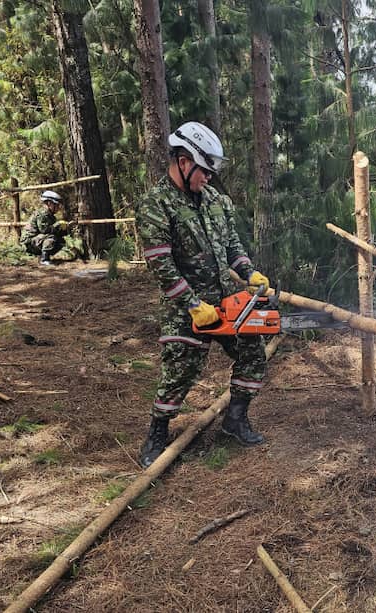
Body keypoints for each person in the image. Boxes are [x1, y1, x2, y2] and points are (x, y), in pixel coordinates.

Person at [135, 121, 271, 468]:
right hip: (184, 306)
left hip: (225, 301)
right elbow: (160, 264)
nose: (207, 179)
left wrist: (248, 272)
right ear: (183, 162)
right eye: (204, 172)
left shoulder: (217, 201)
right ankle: (157, 433)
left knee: (253, 351)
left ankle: (235, 419)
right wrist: (193, 305)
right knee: (180, 370)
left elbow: (233, 248)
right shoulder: (156, 204)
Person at [21, 190, 68, 265]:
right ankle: (44, 259)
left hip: (36, 240)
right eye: (56, 205)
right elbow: (44, 230)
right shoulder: (42, 214)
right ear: (49, 203)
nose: (58, 208)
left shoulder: (51, 216)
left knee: (60, 240)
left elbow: (53, 230)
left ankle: (42, 255)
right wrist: (57, 224)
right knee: (51, 237)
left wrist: (65, 229)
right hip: (28, 242)